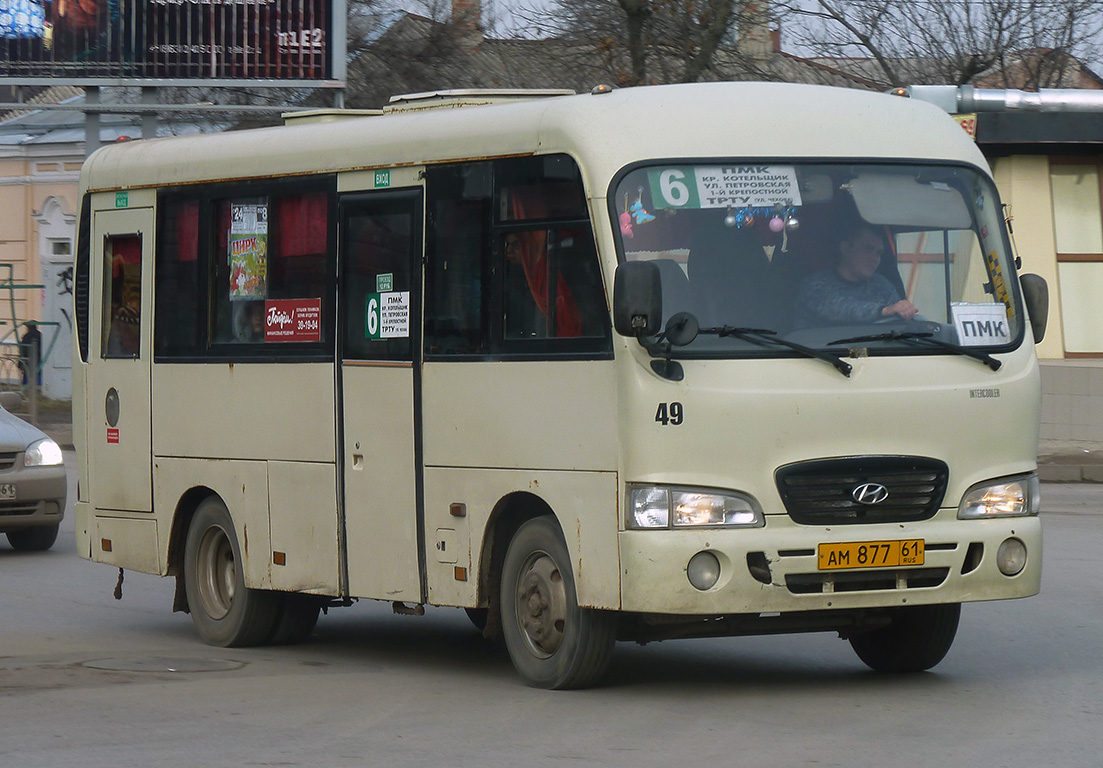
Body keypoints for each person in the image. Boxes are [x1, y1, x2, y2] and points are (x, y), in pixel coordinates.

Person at [792, 220, 917, 329]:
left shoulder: (883, 286)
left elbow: (901, 323)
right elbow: (841, 310)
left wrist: (905, 312)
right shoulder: (815, 285)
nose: (875, 258)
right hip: (817, 354)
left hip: (878, 353)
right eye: (868, 249)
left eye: (878, 253)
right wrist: (885, 311)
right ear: (845, 248)